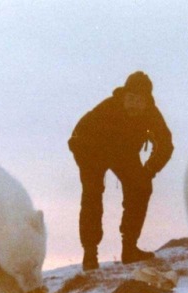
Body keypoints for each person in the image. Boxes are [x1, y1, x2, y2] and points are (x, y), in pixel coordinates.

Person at [68, 71, 174, 270]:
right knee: (92, 193)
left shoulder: (152, 115)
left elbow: (166, 145)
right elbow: (77, 136)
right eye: (130, 98)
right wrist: (85, 162)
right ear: (123, 96)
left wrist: (149, 170)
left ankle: (130, 248)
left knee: (142, 187)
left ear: (147, 102)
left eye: (139, 100)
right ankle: (90, 254)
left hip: (124, 153)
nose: (134, 104)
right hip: (92, 150)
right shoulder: (106, 109)